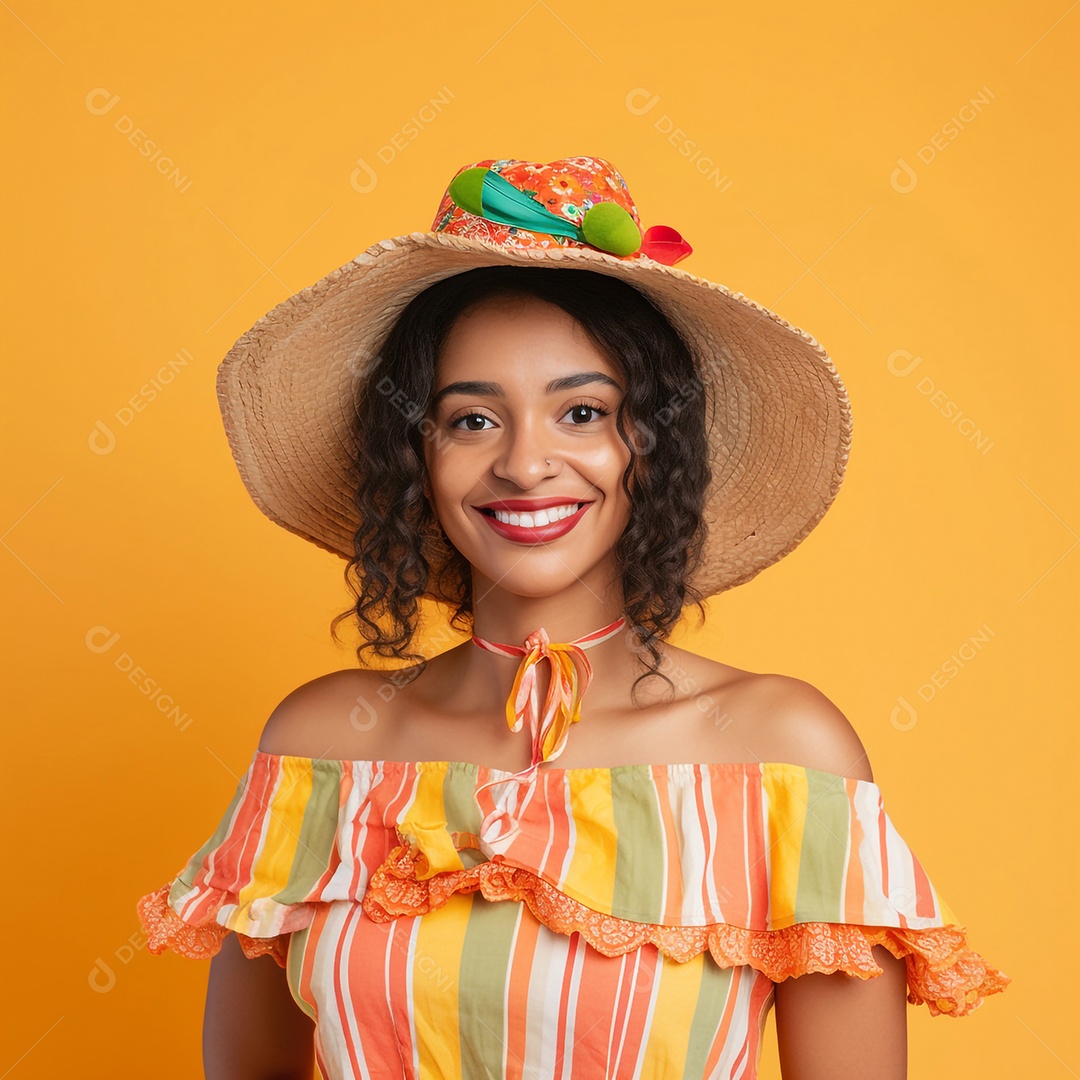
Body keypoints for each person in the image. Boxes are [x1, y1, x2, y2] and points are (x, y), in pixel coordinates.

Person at [136, 155, 1010, 1080]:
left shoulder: (783, 759)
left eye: (582, 412)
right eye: (473, 420)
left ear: (650, 444)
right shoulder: (321, 751)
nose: (524, 464)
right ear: (415, 455)